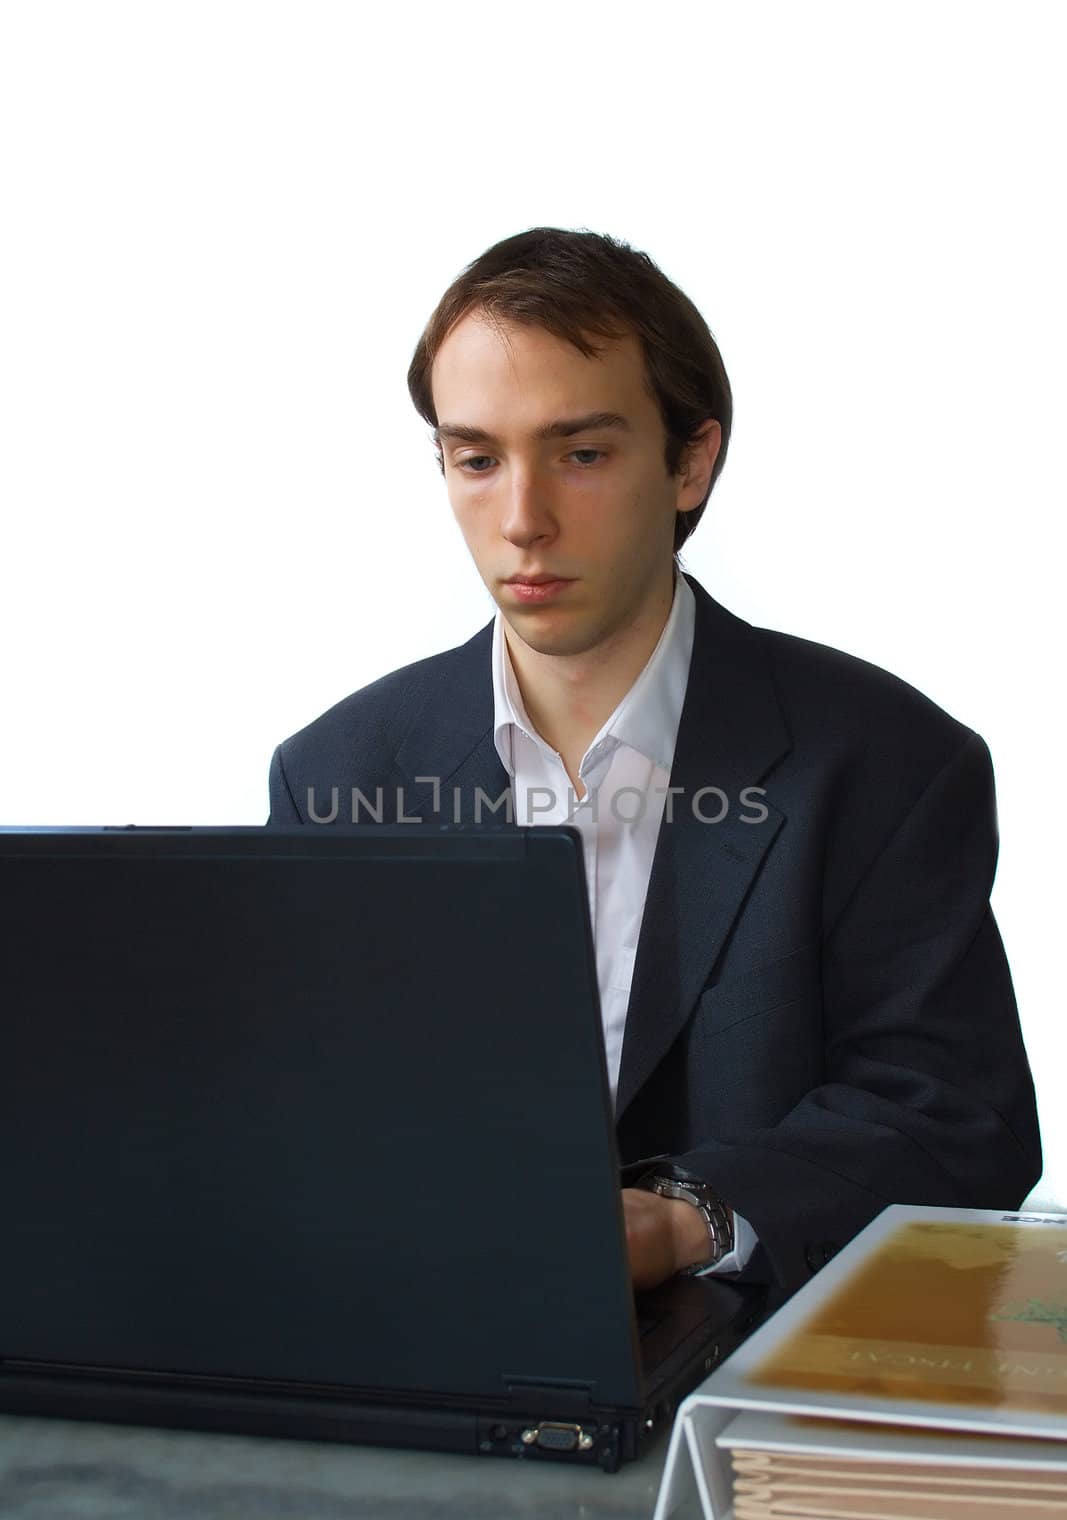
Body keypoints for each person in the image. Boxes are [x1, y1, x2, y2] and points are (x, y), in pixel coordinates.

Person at [268, 226, 1042, 1301]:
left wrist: (686, 1220)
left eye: (581, 454)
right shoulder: (335, 773)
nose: (522, 520)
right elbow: (299, 1123)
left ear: (689, 461)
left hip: (750, 1374)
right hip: (426, 1351)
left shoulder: (887, 762)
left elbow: (956, 1123)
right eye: (476, 457)